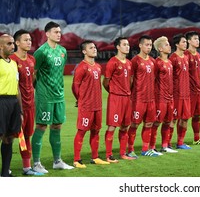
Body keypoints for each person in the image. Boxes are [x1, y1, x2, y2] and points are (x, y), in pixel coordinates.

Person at [31, 21, 74, 174]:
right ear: (47, 34)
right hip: (45, 96)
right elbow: (33, 74)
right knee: (41, 126)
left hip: (59, 96)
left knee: (57, 126)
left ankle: (57, 161)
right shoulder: (41, 52)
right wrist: (40, 90)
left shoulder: (63, 51)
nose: (59, 34)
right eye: (55, 32)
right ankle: (36, 163)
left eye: (60, 32)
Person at [10, 30, 43, 176]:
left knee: (27, 136)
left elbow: (33, 80)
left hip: (30, 105)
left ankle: (26, 167)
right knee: (9, 136)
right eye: (25, 40)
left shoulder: (31, 60)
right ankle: (6, 167)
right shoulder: (11, 60)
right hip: (16, 106)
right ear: (17, 43)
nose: (29, 42)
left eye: (30, 40)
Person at [72, 40, 110, 168]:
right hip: (86, 106)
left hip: (97, 105)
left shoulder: (98, 67)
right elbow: (75, 86)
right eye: (91, 48)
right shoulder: (82, 67)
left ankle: (95, 157)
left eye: (95, 47)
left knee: (96, 131)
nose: (94, 49)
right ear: (84, 51)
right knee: (82, 131)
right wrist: (80, 99)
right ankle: (77, 160)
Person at [126, 35, 160, 157]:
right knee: (134, 124)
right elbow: (130, 79)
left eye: (150, 45)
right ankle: (130, 150)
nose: (149, 47)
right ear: (140, 45)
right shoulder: (135, 61)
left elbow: (154, 78)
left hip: (151, 99)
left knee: (149, 124)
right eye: (146, 44)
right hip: (138, 99)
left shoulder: (153, 61)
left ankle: (145, 150)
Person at [103, 37, 133, 163]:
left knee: (125, 126)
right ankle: (109, 155)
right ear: (118, 47)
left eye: (128, 44)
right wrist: (114, 92)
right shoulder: (112, 62)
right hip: (116, 98)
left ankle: (123, 153)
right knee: (112, 126)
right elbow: (105, 82)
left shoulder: (129, 63)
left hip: (127, 98)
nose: (127, 47)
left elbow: (130, 81)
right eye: (124, 44)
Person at [150, 36, 177, 153]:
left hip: (170, 98)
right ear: (160, 49)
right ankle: (152, 147)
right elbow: (152, 80)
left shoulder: (170, 62)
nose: (169, 46)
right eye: (166, 45)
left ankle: (165, 146)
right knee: (156, 122)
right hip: (160, 98)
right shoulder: (157, 63)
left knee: (167, 122)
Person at [0, 34, 22, 177]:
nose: (12, 46)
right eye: (9, 44)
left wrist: (20, 110)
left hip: (13, 103)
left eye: (13, 43)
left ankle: (5, 173)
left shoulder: (13, 63)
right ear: (1, 46)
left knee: (9, 138)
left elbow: (17, 87)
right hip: (0, 101)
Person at [168, 34, 192, 149]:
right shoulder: (173, 58)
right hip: (176, 94)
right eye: (183, 42)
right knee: (173, 118)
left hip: (186, 94)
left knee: (185, 118)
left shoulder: (186, 57)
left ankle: (180, 142)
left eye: (185, 42)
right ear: (177, 44)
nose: (185, 44)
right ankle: (168, 143)